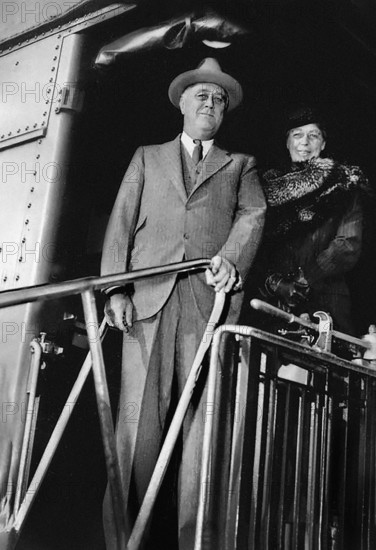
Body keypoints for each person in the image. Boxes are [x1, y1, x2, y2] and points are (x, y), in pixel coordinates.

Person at [100, 57, 266, 549]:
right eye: (202, 96)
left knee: (203, 427)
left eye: (218, 99)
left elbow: (253, 216)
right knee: (135, 429)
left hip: (207, 304)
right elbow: (121, 224)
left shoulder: (240, 165)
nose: (210, 103)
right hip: (146, 304)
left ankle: (196, 540)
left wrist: (232, 261)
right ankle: (122, 540)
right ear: (182, 105)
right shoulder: (147, 157)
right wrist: (115, 289)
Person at [256, 105, 370, 334]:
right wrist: (276, 284)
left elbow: (348, 244)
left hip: (328, 303)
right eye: (297, 135)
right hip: (274, 304)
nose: (305, 142)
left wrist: (307, 278)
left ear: (323, 144)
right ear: (287, 142)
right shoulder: (264, 191)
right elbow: (254, 248)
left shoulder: (345, 185)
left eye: (313, 135)